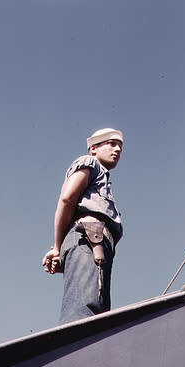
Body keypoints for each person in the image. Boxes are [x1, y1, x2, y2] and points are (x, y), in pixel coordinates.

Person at [43, 128, 123, 323]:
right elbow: (67, 199)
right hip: (89, 237)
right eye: (112, 144)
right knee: (84, 311)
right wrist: (57, 247)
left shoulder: (102, 178)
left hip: (97, 245)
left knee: (98, 315)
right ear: (93, 148)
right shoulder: (90, 163)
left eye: (120, 146)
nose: (118, 150)